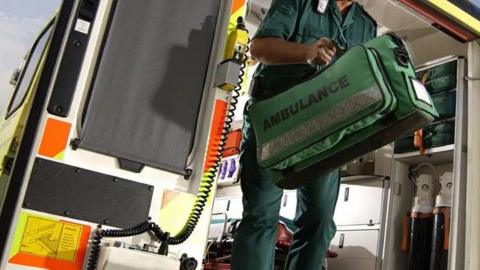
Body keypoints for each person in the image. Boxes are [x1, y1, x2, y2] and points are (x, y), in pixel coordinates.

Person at [231, 0, 377, 269]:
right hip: (275, 120)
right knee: (262, 215)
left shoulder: (366, 25)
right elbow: (260, 47)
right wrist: (307, 52)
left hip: (324, 130)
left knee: (320, 220)